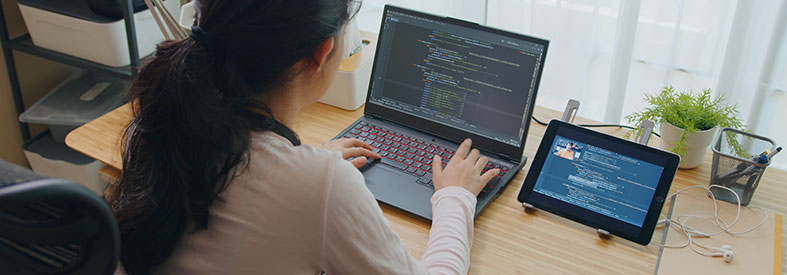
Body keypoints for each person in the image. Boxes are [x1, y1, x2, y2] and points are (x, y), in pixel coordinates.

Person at [106, 0, 499, 274]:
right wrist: (456, 196)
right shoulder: (317, 183)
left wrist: (301, 161)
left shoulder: (162, 118)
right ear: (322, 53)